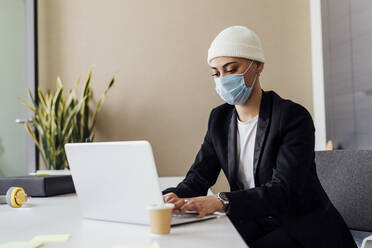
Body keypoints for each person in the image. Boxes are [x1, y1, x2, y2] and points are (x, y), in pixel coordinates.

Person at [162, 26, 357, 247]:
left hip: (303, 228)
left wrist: (219, 202)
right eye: (216, 73)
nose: (223, 79)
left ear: (258, 66)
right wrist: (169, 198)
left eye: (231, 69)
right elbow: (198, 178)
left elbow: (284, 191)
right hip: (256, 222)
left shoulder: (292, 117)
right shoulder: (219, 119)